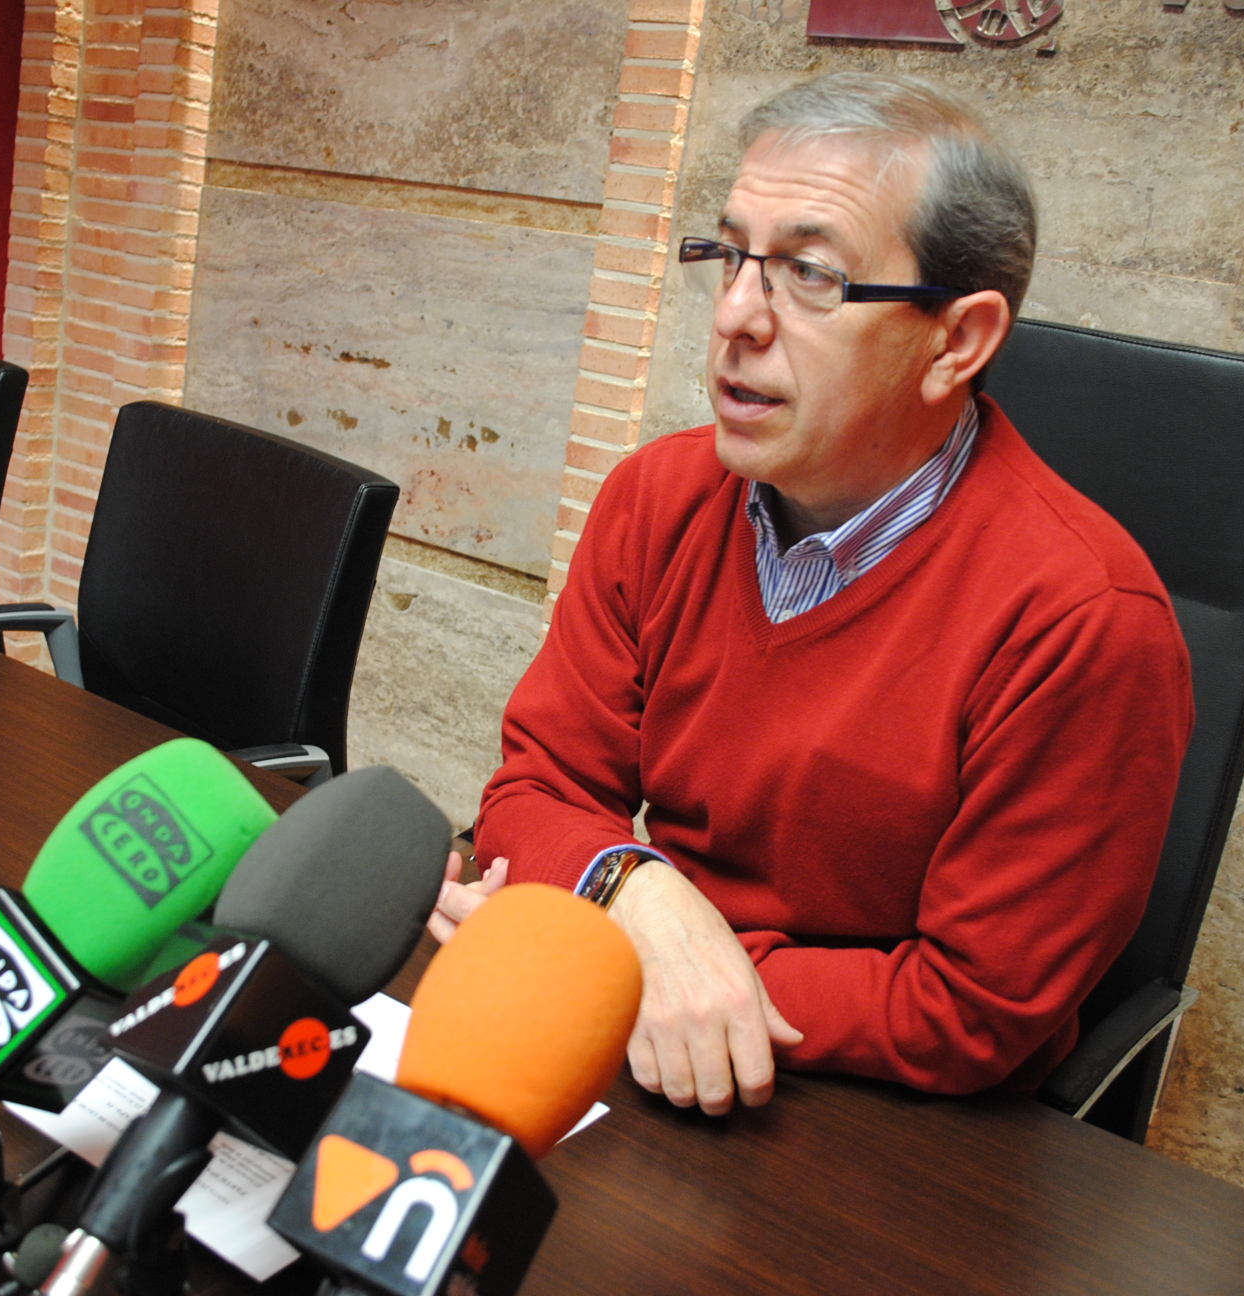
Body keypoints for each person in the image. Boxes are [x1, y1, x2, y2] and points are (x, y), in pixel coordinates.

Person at [430, 72, 1194, 1117]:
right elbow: (532, 791)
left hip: (887, 1135)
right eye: (730, 256)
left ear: (957, 340)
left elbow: (973, 1008)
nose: (738, 316)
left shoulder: (1087, 621)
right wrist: (636, 896)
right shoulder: (657, 496)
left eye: (808, 274)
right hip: (641, 1055)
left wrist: (642, 956)